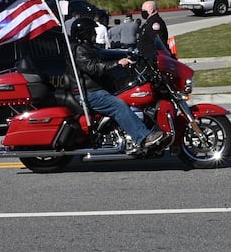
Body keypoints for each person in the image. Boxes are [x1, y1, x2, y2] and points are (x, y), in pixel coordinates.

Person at [69, 17, 169, 155]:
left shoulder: (88, 47)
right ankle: (143, 137)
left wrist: (129, 53)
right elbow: (93, 67)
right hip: (89, 93)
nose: (95, 34)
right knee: (118, 106)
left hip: (96, 89)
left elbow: (103, 53)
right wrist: (118, 63)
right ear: (83, 34)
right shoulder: (79, 50)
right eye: (91, 31)